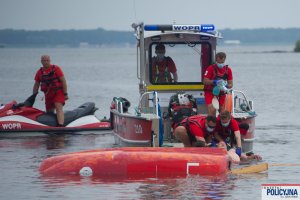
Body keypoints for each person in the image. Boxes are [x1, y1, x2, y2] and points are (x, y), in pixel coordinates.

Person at [32, 55, 68, 127]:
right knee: (49, 111)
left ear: (50, 61)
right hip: (48, 94)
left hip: (58, 92)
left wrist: (65, 94)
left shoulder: (56, 69)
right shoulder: (39, 72)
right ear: (41, 61)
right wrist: (33, 95)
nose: (45, 62)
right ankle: (51, 125)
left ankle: (61, 125)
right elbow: (36, 84)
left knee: (58, 107)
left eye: (47, 60)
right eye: (44, 61)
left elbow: (63, 81)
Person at [203, 52, 233, 116]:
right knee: (212, 109)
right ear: (216, 60)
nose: (221, 64)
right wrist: (214, 82)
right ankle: (211, 123)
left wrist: (226, 85)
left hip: (221, 92)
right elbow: (205, 81)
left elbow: (231, 84)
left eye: (222, 62)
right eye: (219, 62)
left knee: (223, 111)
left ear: (224, 60)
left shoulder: (228, 70)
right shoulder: (210, 68)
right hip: (210, 92)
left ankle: (222, 124)